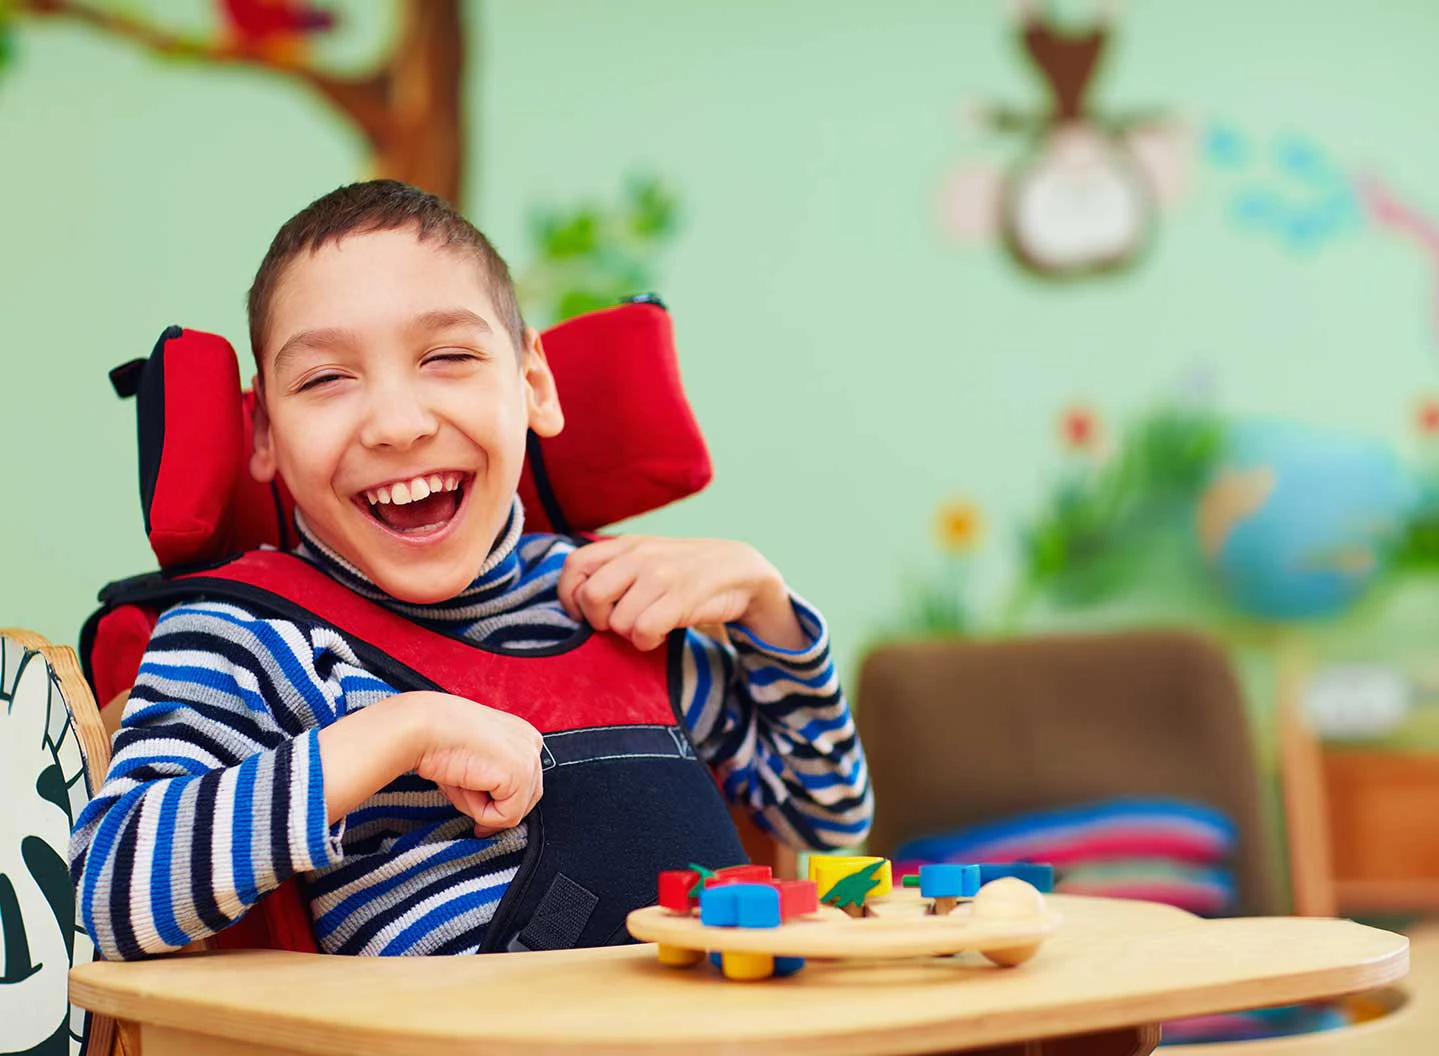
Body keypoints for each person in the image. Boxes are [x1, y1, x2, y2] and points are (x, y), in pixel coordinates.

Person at [70, 180, 872, 960]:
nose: (397, 424)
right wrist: (394, 733)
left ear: (533, 385)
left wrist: (769, 609)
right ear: (264, 435)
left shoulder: (616, 603)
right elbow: (102, 895)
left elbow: (826, 819)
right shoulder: (251, 635)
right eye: (325, 379)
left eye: (447, 356)